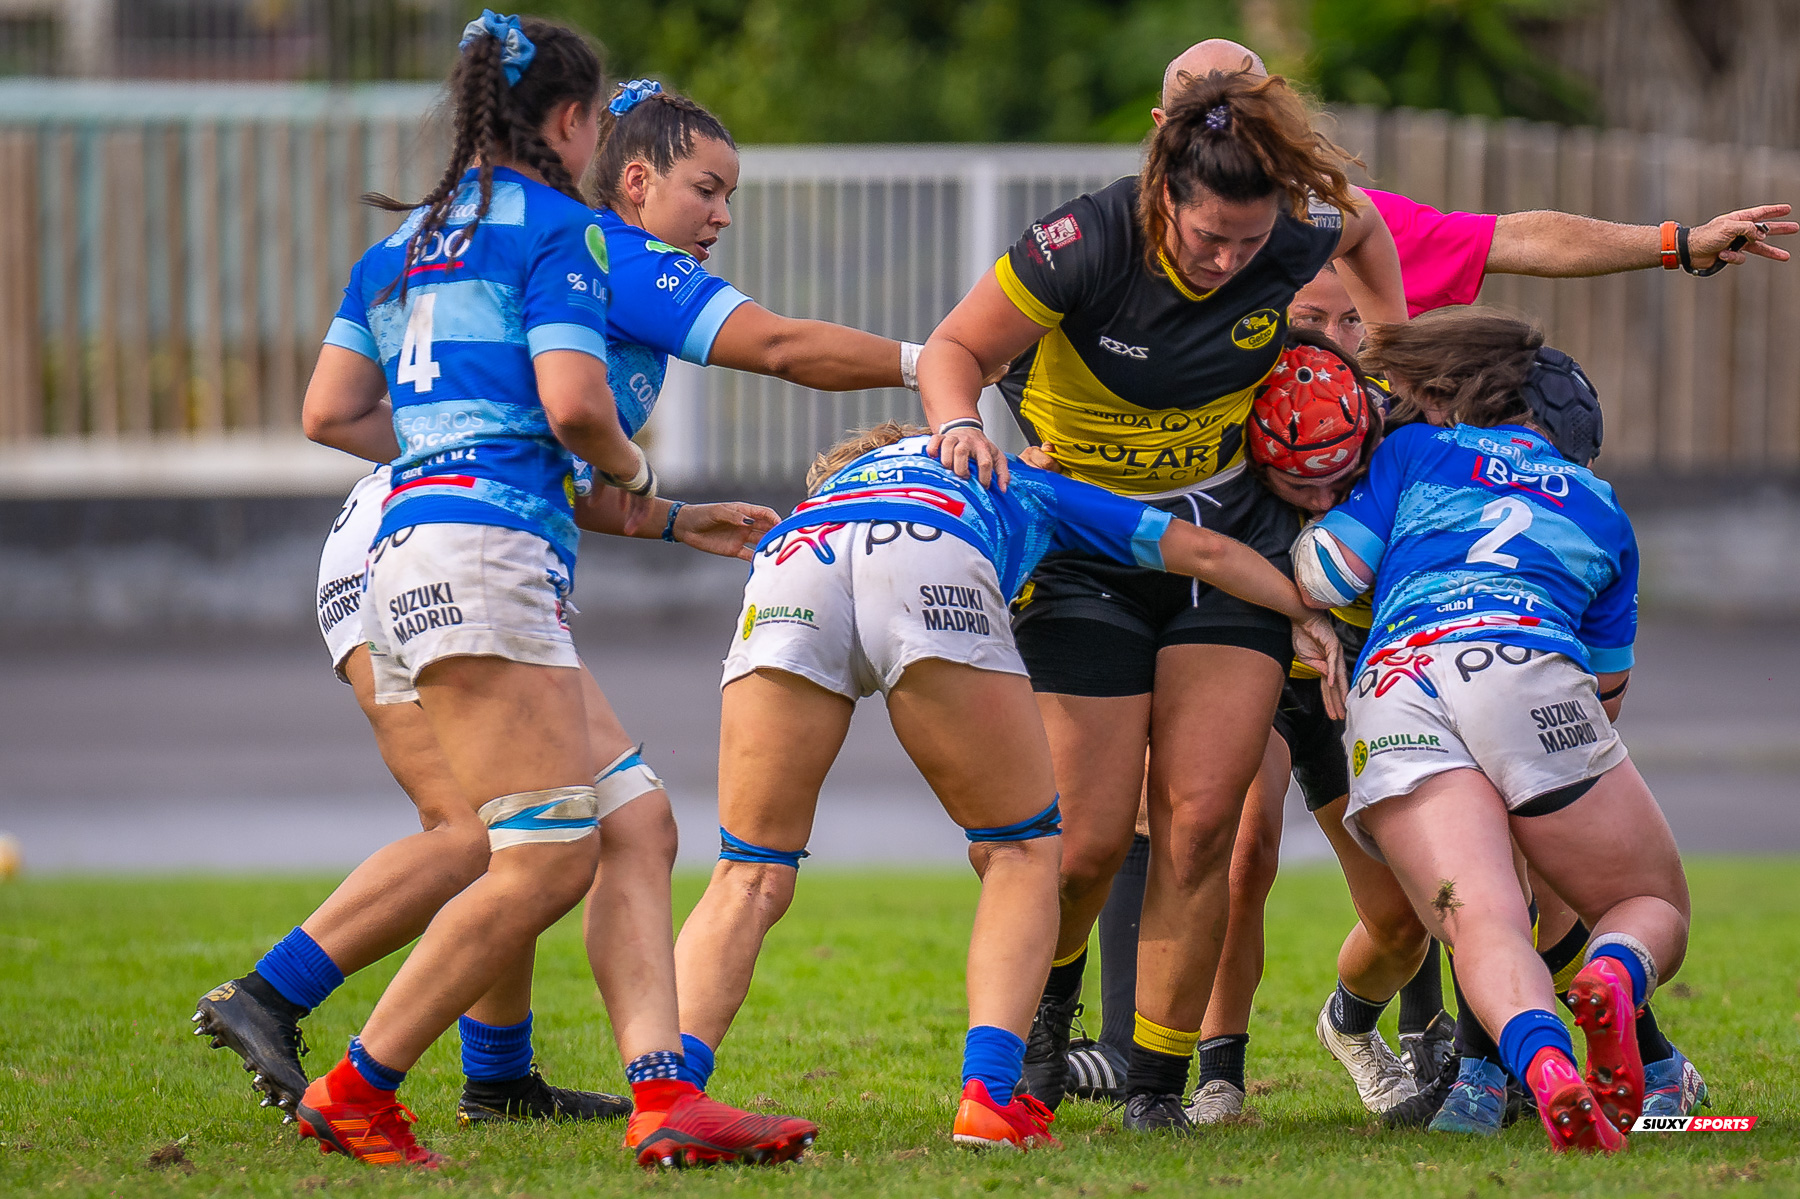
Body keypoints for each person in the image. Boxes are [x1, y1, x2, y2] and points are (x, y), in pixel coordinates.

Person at [1070, 35, 1785, 1122]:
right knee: (1222, 824)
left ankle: (1479, 1060)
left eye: (1236, 96)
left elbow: (1521, 236)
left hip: (1388, 561)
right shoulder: (1148, 239)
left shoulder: (1350, 227)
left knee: (1462, 868)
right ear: (1167, 136)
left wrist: (1675, 241)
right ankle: (1188, 1070)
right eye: (1192, 104)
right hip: (1240, 548)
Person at [275, 13, 819, 1169]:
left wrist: (451, 449)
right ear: (580, 129)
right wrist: (630, 464)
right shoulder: (570, 236)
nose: (718, 214)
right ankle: (356, 1078)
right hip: (482, 555)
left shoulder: (415, 243)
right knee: (535, 849)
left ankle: (660, 1093)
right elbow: (602, 401)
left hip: (409, 546)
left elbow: (326, 414)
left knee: (632, 823)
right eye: (707, 187)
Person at [918, 63, 1407, 1131]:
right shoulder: (1084, 242)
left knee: (1199, 826)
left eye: (1249, 241)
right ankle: (1049, 1007)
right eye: (1209, 239)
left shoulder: (1293, 234)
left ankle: (1155, 1086)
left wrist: (1391, 352)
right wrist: (960, 419)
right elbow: (956, 347)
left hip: (1230, 546)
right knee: (1088, 839)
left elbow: (1366, 230)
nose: (1231, 259)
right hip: (1089, 554)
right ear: (1164, 195)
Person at [669, 421, 1343, 1150]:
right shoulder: (1015, 479)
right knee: (1020, 849)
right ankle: (991, 1099)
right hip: (928, 551)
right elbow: (1203, 548)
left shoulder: (835, 488)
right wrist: (1299, 608)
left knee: (749, 868)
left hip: (799, 555)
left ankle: (667, 1093)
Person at [1292, 307, 1688, 1154]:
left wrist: (1299, 543)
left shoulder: (1418, 450)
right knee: (1646, 903)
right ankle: (1613, 978)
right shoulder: (1601, 506)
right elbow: (1607, 693)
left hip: (1396, 684)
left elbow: (1332, 573)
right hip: (1524, 670)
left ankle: (1546, 1068)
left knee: (1480, 921)